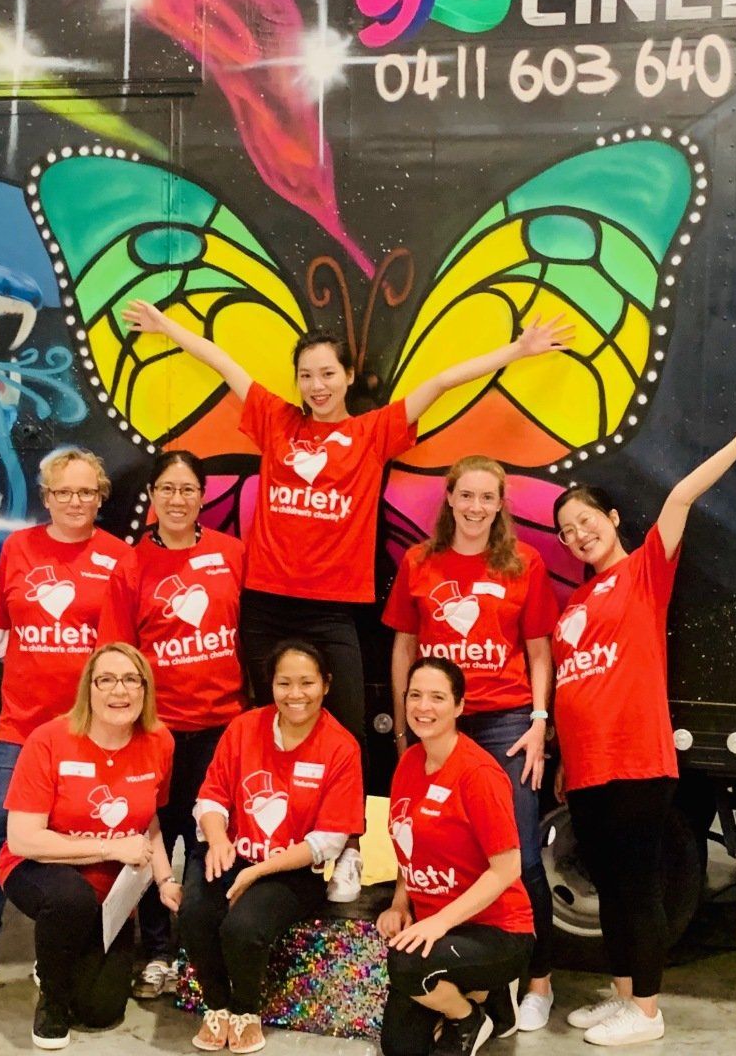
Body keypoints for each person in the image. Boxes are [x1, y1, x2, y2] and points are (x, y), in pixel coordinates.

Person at [121, 301, 572, 900]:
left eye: (327, 373)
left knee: (351, 731)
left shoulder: (371, 432)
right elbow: (219, 360)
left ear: (348, 377)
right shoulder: (276, 421)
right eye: (306, 375)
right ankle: (262, 846)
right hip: (268, 605)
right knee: (265, 728)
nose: (316, 386)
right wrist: (166, 327)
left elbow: (438, 383)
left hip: (335, 610)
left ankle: (352, 851)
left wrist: (517, 352)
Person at [550, 408, 736, 1047]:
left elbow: (682, 495)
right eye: (567, 530)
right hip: (588, 769)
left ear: (614, 520)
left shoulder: (646, 570)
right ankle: (623, 994)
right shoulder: (573, 603)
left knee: (636, 888)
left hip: (635, 763)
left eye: (587, 521)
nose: (579, 534)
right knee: (610, 889)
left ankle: (648, 1013)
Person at [0, 448, 138, 999]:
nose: (75, 502)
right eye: (63, 492)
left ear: (101, 496)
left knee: (93, 837)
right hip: (24, 727)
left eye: (86, 492)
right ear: (47, 497)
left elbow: (121, 654)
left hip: (91, 729)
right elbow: (2, 632)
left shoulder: (118, 557)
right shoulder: (18, 549)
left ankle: (69, 946)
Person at [384, 456, 557, 1032]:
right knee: (439, 845)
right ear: (450, 499)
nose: (477, 507)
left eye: (488, 498)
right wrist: (408, 722)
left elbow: (537, 648)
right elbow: (405, 648)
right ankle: (478, 982)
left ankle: (539, 983)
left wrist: (538, 719)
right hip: (437, 718)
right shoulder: (419, 562)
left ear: (500, 504)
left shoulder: (524, 562)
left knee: (520, 856)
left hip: (506, 721)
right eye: (467, 496)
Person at [100, 449, 248, 999]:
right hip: (157, 731)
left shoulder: (232, 554)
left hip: (221, 727)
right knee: (151, 841)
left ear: (202, 495)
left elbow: (249, 638)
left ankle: (204, 950)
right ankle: (158, 951)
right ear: (153, 497)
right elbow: (117, 656)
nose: (178, 499)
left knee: (212, 841)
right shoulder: (130, 565)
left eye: (188, 489)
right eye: (168, 489)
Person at [181, 640, 366, 1055]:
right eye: (284, 683)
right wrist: (217, 839)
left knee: (243, 928)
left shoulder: (340, 746)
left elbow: (330, 839)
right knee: (194, 911)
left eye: (306, 683)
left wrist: (259, 871)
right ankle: (218, 1005)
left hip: (294, 869)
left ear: (326, 685)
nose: (295, 694)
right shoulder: (244, 727)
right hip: (232, 850)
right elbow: (210, 799)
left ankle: (246, 1011)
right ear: (271, 685)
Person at [0, 642, 179, 1049]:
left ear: (146, 690)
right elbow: (23, 839)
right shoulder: (50, 740)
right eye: (107, 680)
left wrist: (165, 880)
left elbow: (148, 819)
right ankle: (52, 1000)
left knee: (102, 1011)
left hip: (112, 891)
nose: (121, 691)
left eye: (132, 680)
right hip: (37, 869)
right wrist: (110, 850)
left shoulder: (158, 741)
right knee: (71, 900)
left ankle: (66, 962)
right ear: (89, 689)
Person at [379, 657, 535, 1056]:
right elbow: (407, 843)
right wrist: (400, 904)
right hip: (439, 929)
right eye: (415, 695)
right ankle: (488, 998)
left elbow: (508, 868)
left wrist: (439, 923)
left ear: (460, 706)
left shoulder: (478, 773)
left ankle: (470, 1016)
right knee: (400, 1048)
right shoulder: (409, 763)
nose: (423, 707)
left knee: (406, 964)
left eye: (437, 697)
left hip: (496, 931)